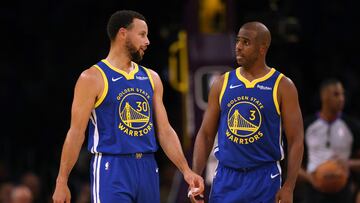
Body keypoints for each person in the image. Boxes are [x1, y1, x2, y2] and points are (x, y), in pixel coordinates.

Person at [52, 10, 204, 203]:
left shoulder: (151, 78)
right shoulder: (92, 77)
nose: (147, 41)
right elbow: (75, 133)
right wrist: (61, 180)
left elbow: (165, 131)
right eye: (142, 34)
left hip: (147, 166)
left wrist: (186, 171)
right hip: (111, 167)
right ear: (123, 33)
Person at [190, 21, 304, 203]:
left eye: (246, 42)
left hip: (265, 178)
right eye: (237, 41)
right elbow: (205, 134)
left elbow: (296, 140)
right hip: (227, 177)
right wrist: (195, 176)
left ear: (262, 48)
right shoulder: (222, 83)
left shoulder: (282, 85)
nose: (238, 47)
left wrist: (289, 186)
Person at [297, 78, 360, 203]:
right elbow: (294, 165)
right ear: (324, 96)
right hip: (313, 192)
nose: (341, 98)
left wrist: (349, 163)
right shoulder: (307, 125)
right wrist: (310, 178)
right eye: (336, 94)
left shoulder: (352, 126)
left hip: (343, 191)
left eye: (343, 94)